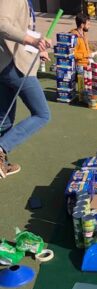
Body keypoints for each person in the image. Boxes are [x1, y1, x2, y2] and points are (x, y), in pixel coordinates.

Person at [0, 0, 51, 179]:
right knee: (42, 114)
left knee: (5, 119)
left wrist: (38, 46)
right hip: (14, 65)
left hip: (7, 64)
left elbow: (20, 28)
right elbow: (2, 24)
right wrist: (33, 40)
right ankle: (1, 148)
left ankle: (2, 163)